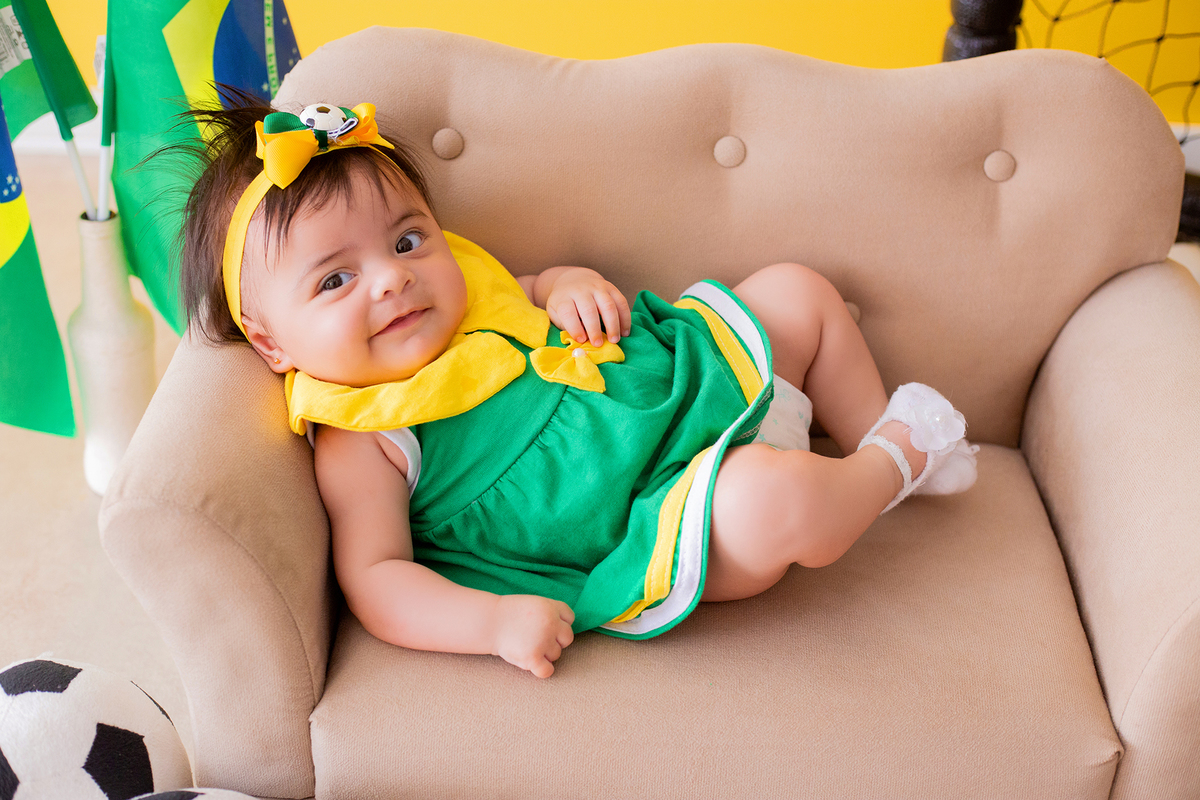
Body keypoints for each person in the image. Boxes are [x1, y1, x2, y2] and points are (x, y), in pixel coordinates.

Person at [177, 89, 978, 679]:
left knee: (798, 290)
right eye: (334, 281)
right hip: (661, 519)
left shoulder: (472, 289)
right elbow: (378, 581)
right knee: (781, 497)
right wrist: (492, 622)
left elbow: (535, 284)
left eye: (408, 238)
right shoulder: (365, 436)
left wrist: (570, 284)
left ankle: (875, 425)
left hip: (690, 386)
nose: (391, 280)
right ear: (270, 341)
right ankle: (895, 458)